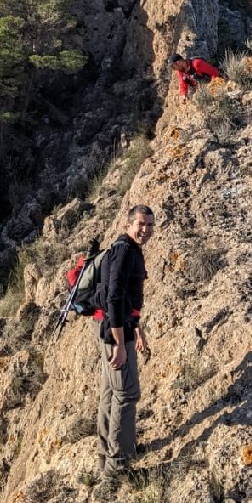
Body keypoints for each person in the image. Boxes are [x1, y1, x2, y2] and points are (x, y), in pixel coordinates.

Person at [96, 204, 154, 482]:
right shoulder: (124, 252)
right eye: (140, 224)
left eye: (150, 225)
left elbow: (129, 297)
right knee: (127, 394)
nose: (145, 230)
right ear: (128, 225)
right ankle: (117, 468)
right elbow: (115, 298)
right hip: (115, 332)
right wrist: (120, 343)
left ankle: (108, 454)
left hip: (118, 328)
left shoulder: (129, 249)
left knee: (111, 393)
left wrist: (137, 328)